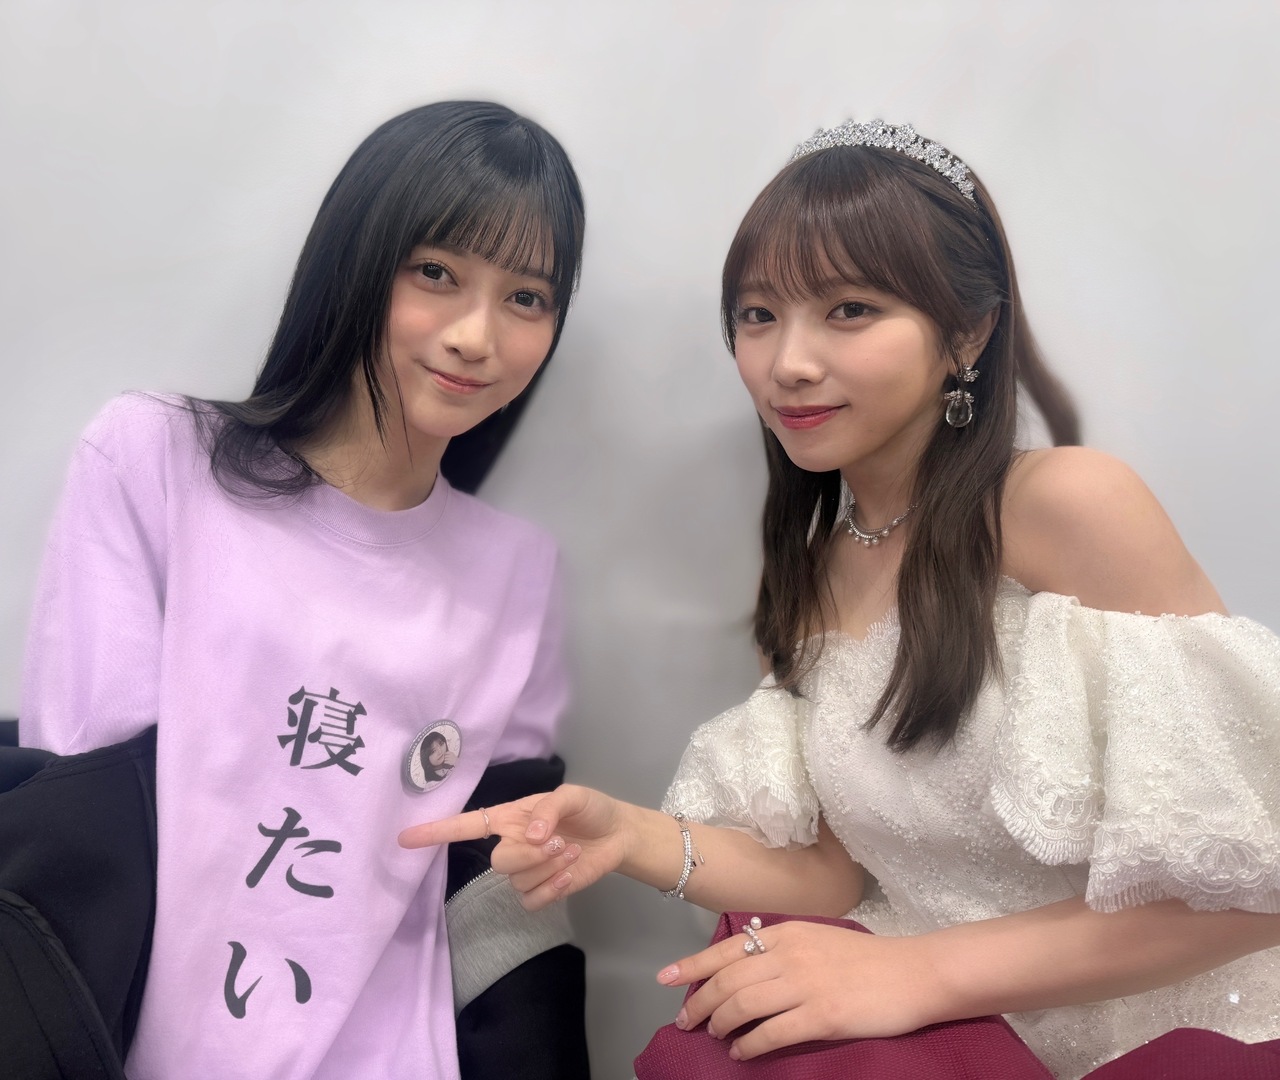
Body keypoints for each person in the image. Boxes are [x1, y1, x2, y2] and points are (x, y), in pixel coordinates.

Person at [402, 120, 1280, 1079]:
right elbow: (831, 873)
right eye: (758, 315)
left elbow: (1255, 883)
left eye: (850, 310)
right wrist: (626, 833)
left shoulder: (1067, 504)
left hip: (1164, 1037)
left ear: (970, 331)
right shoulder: (812, 573)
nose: (789, 362)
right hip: (959, 1022)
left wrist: (916, 971)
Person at [22, 101, 587, 1080]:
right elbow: (80, 823)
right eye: (436, 272)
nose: (475, 335)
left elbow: (495, 890)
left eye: (526, 297)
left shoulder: (516, 573)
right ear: (356, 258)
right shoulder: (155, 460)